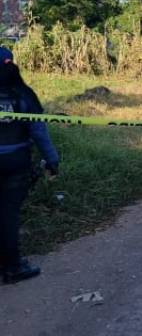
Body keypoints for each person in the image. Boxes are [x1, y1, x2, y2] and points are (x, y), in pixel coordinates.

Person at [0, 47, 59, 284]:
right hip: (15, 163)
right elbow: (39, 131)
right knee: (8, 215)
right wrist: (52, 160)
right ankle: (13, 268)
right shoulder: (23, 94)